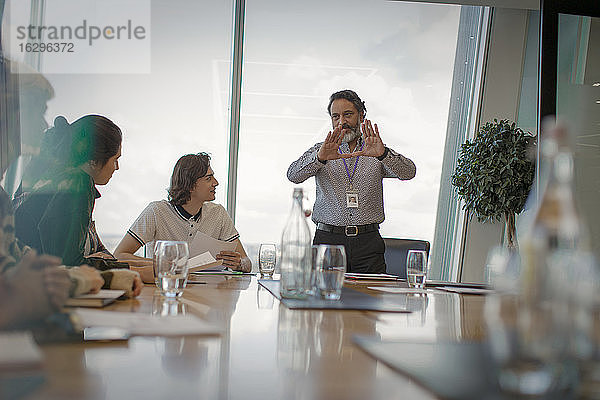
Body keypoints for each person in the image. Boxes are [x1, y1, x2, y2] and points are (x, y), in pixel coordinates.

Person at [287, 89, 416, 274]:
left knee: (369, 300)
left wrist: (384, 155)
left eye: (348, 114)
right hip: (327, 242)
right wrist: (320, 158)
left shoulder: (376, 148)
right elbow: (293, 175)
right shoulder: (321, 150)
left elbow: (409, 172)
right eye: (335, 116)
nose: (342, 122)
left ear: (361, 115)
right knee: (324, 300)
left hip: (368, 243)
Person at [13, 114, 142, 296]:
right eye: (115, 159)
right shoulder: (77, 183)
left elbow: (99, 253)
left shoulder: (50, 179)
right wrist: (138, 272)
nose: (117, 167)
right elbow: (69, 263)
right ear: (93, 161)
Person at [114, 153, 252, 273]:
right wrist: (163, 265)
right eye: (208, 178)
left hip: (207, 295)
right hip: (165, 289)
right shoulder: (156, 212)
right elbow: (120, 255)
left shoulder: (218, 214)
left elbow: (247, 262)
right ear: (190, 185)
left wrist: (240, 263)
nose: (216, 183)